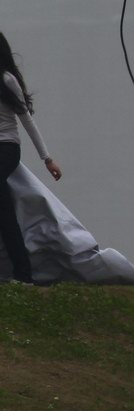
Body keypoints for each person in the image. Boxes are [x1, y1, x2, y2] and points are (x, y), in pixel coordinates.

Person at [0, 33, 62, 284]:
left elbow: (26, 119)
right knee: (5, 215)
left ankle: (23, 274)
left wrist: (47, 158)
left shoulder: (6, 79)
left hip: (6, 147)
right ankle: (23, 274)